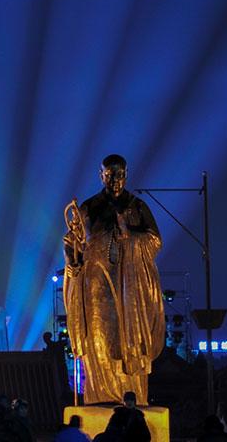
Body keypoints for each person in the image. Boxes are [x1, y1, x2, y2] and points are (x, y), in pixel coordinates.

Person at [63, 155, 165, 404]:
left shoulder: (136, 206)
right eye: (110, 175)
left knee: (129, 342)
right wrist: (72, 254)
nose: (115, 180)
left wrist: (129, 236)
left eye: (120, 175)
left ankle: (132, 399)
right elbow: (76, 244)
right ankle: (100, 398)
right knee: (98, 339)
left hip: (129, 286)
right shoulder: (89, 208)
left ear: (126, 175)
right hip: (97, 285)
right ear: (102, 176)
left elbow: (154, 241)